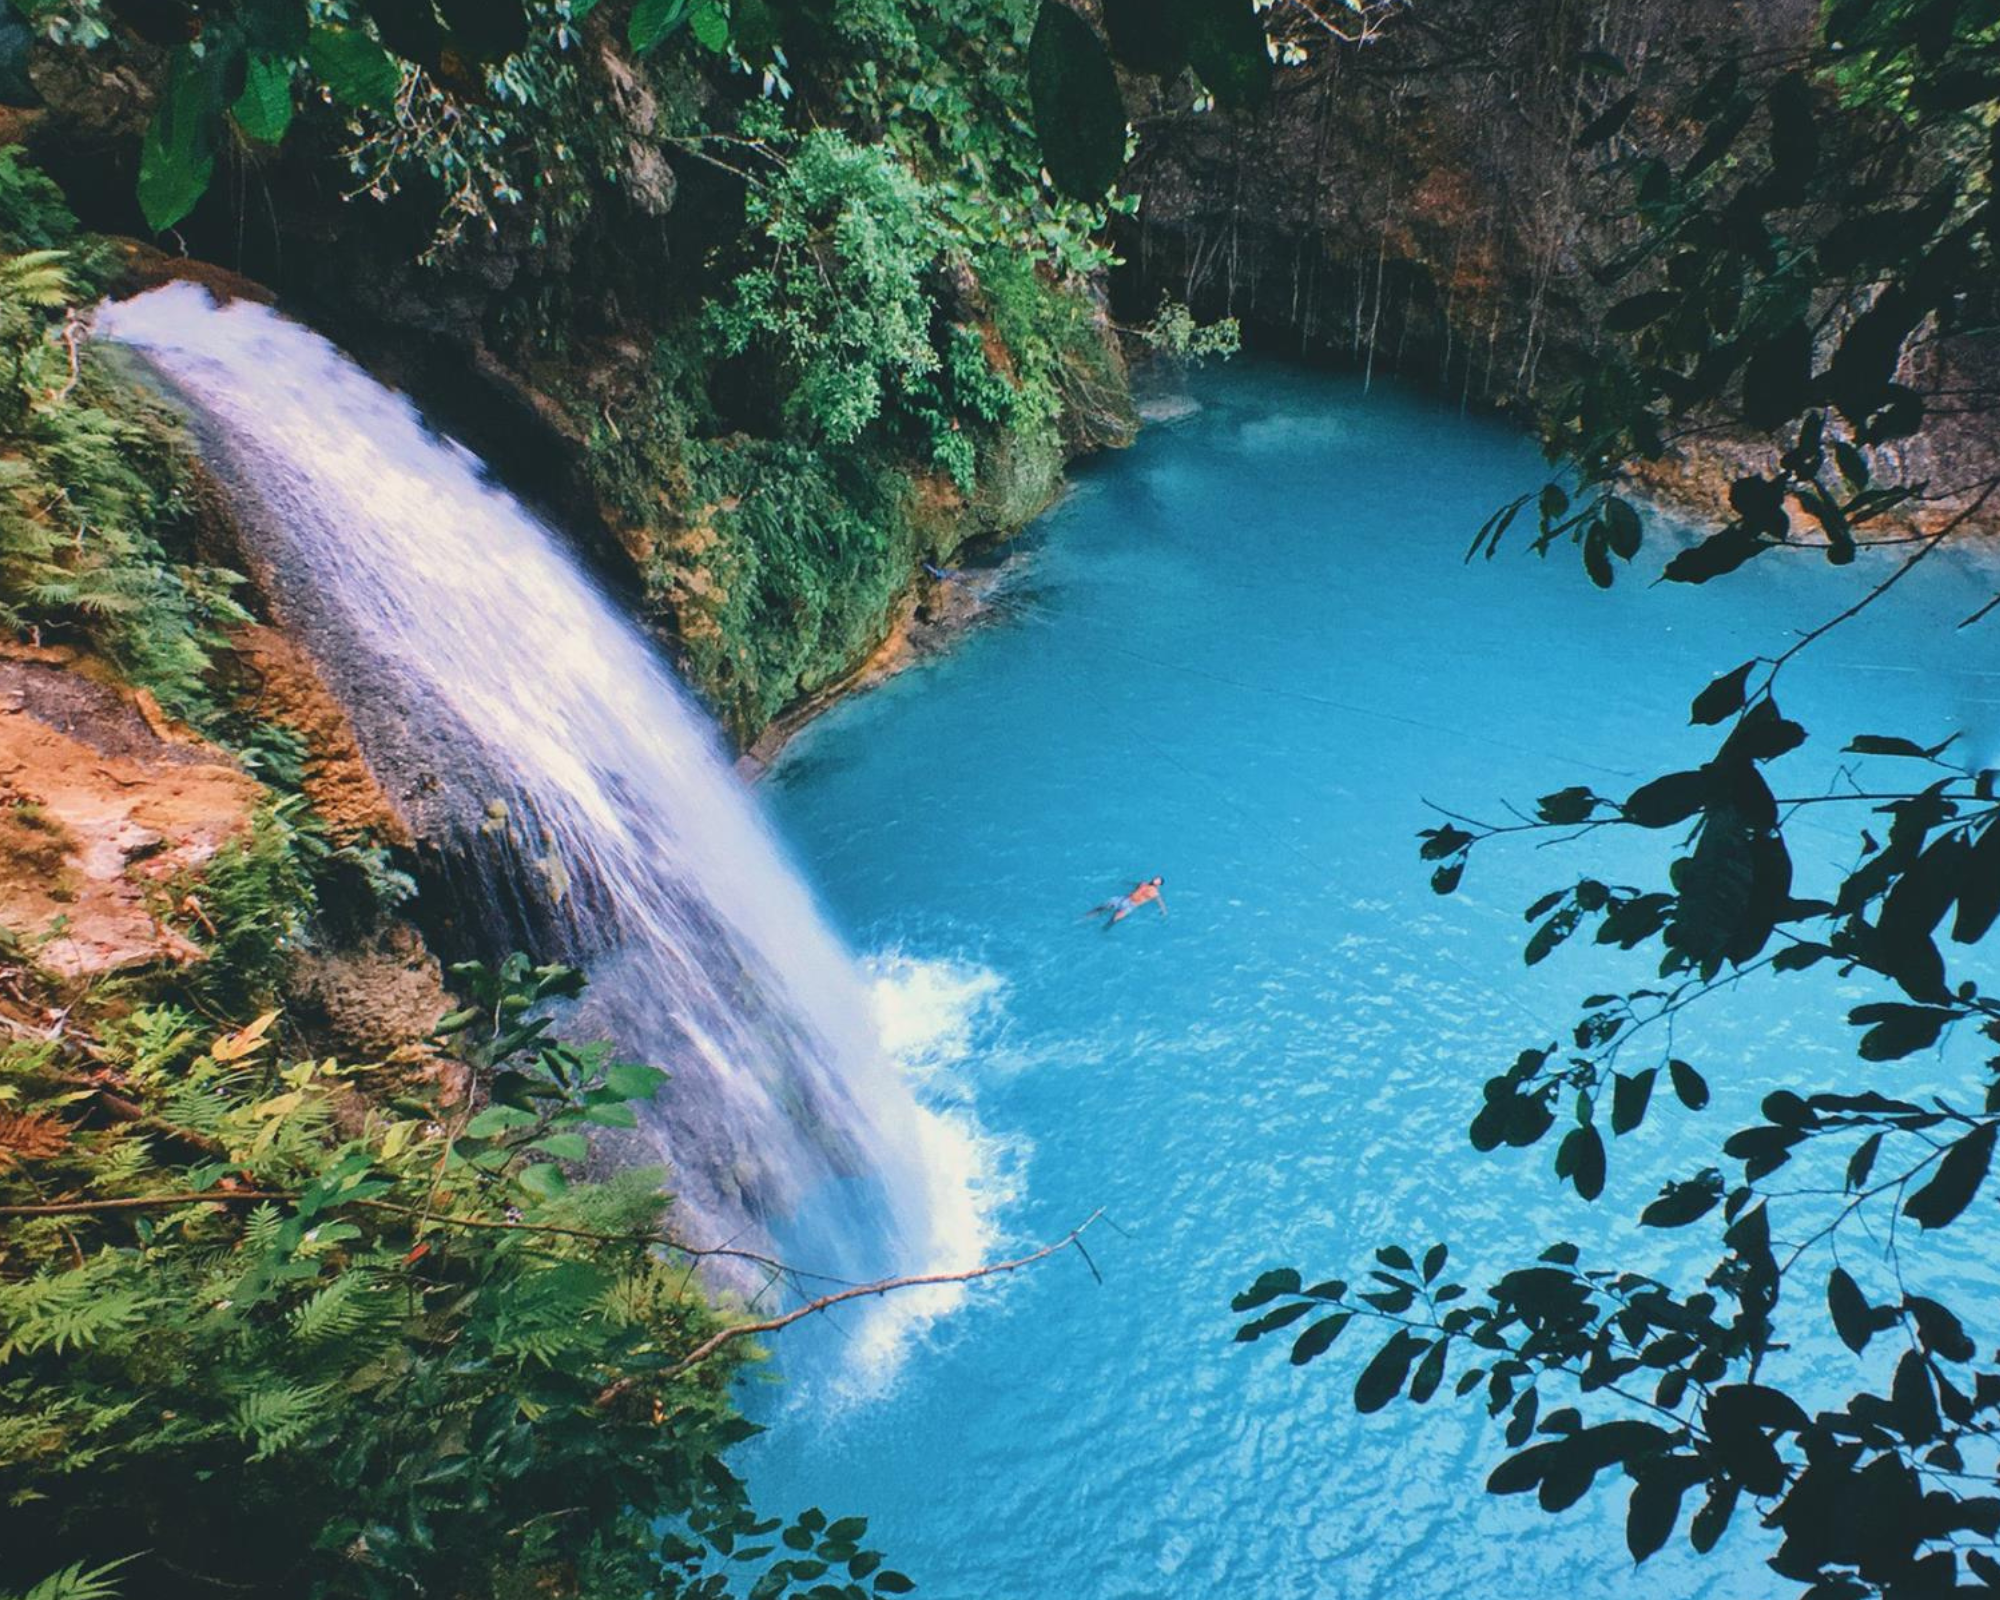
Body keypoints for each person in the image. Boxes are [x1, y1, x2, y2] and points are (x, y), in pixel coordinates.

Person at [1086, 875, 1166, 928]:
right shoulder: (1143, 883)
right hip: (1124, 899)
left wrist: (1163, 910)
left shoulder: (1155, 892)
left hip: (1131, 905)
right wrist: (1124, 882)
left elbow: (1160, 901)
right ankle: (1088, 916)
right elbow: (1134, 884)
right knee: (1104, 907)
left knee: (1114, 919)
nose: (1155, 879)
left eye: (1157, 880)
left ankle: (1103, 930)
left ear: (1159, 884)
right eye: (1156, 878)